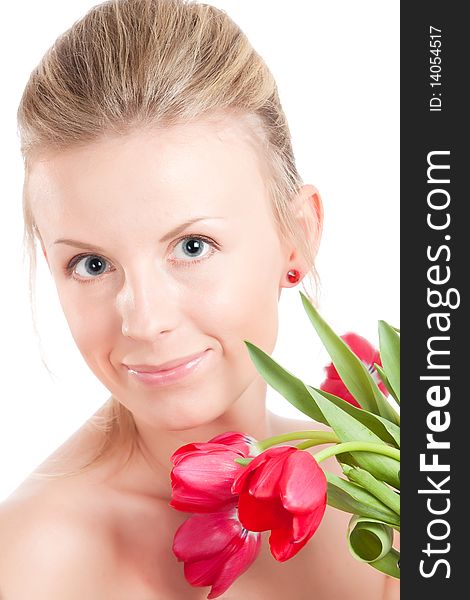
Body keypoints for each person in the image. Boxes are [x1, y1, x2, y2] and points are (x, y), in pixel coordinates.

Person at [0, 0, 399, 598]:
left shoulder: (386, 493)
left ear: (297, 237)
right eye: (92, 264)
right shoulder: (36, 559)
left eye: (192, 246)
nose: (145, 319)